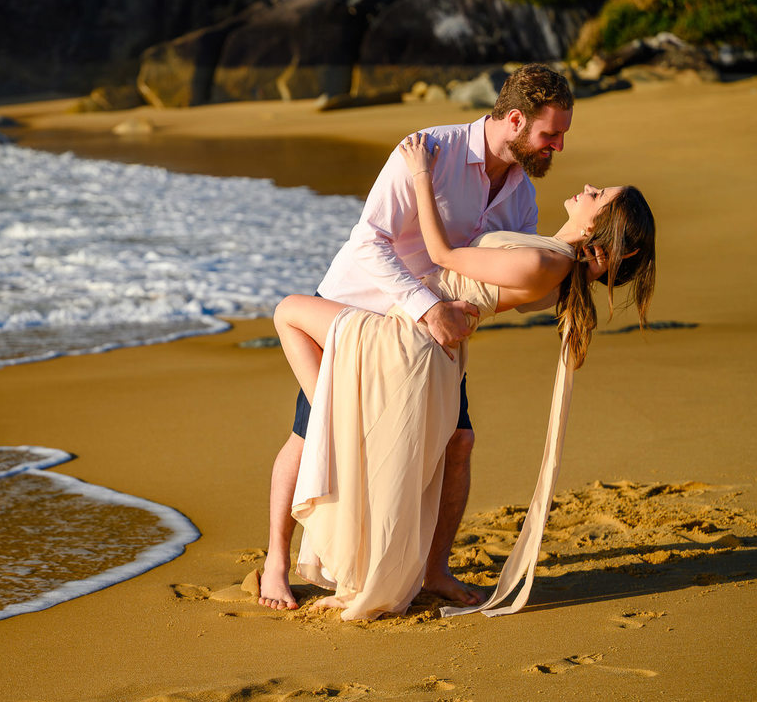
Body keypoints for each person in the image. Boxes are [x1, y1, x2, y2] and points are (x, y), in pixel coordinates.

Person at [275, 134, 656, 619]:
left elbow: (441, 253)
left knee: (288, 311)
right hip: (428, 349)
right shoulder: (553, 257)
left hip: (406, 342)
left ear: (602, 226)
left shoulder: (547, 262)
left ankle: (336, 428)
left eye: (599, 195)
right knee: (426, 450)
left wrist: (419, 173)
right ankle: (342, 433)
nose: (588, 187)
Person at [259, 63, 585, 610]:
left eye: (560, 137)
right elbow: (370, 242)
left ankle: (434, 568)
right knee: (312, 431)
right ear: (513, 120)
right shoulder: (428, 151)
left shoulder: (522, 195)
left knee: (458, 442)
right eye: (550, 135)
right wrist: (426, 306)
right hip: (357, 314)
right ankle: (274, 562)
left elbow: (494, 275)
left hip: (431, 345)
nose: (557, 147)